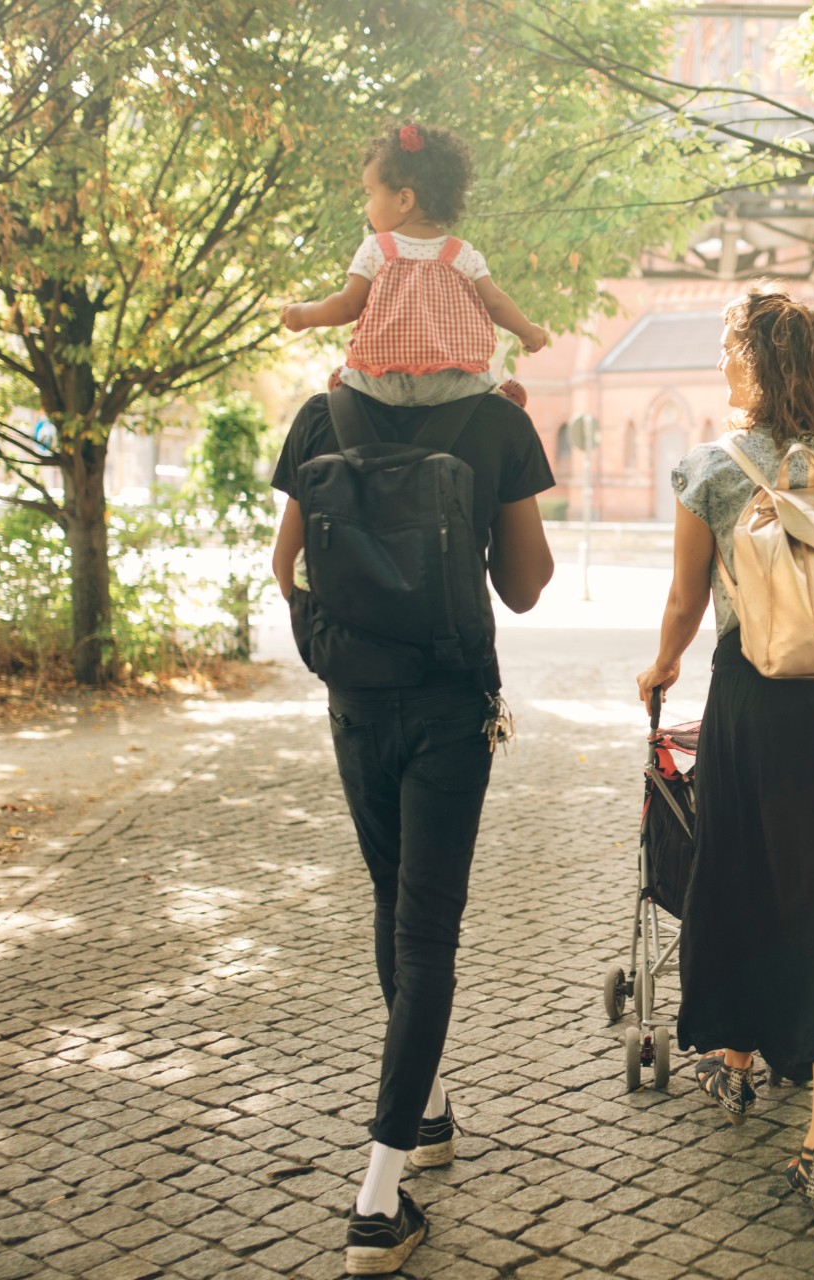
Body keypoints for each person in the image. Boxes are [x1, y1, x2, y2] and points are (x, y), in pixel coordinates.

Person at [634, 285, 814, 1223]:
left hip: (758, 703)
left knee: (749, 878)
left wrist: (661, 667)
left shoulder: (710, 471)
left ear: (758, 364)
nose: (722, 365)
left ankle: (735, 1064)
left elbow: (686, 601)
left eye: (732, 350)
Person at [271, 387, 554, 1273]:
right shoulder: (496, 420)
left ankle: (429, 1112)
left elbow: (286, 567)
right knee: (427, 933)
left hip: (355, 701)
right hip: (449, 703)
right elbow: (526, 588)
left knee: (391, 900)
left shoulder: (322, 417)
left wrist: (338, 646)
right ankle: (376, 1202)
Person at [281, 121, 550, 422]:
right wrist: (528, 331)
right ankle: (499, 397)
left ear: (404, 200)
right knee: (481, 384)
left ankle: (345, 383)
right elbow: (496, 303)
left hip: (381, 383)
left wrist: (304, 315)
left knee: (353, 374)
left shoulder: (376, 249)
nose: (367, 206)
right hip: (453, 385)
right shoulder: (462, 254)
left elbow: (347, 305)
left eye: (370, 194)